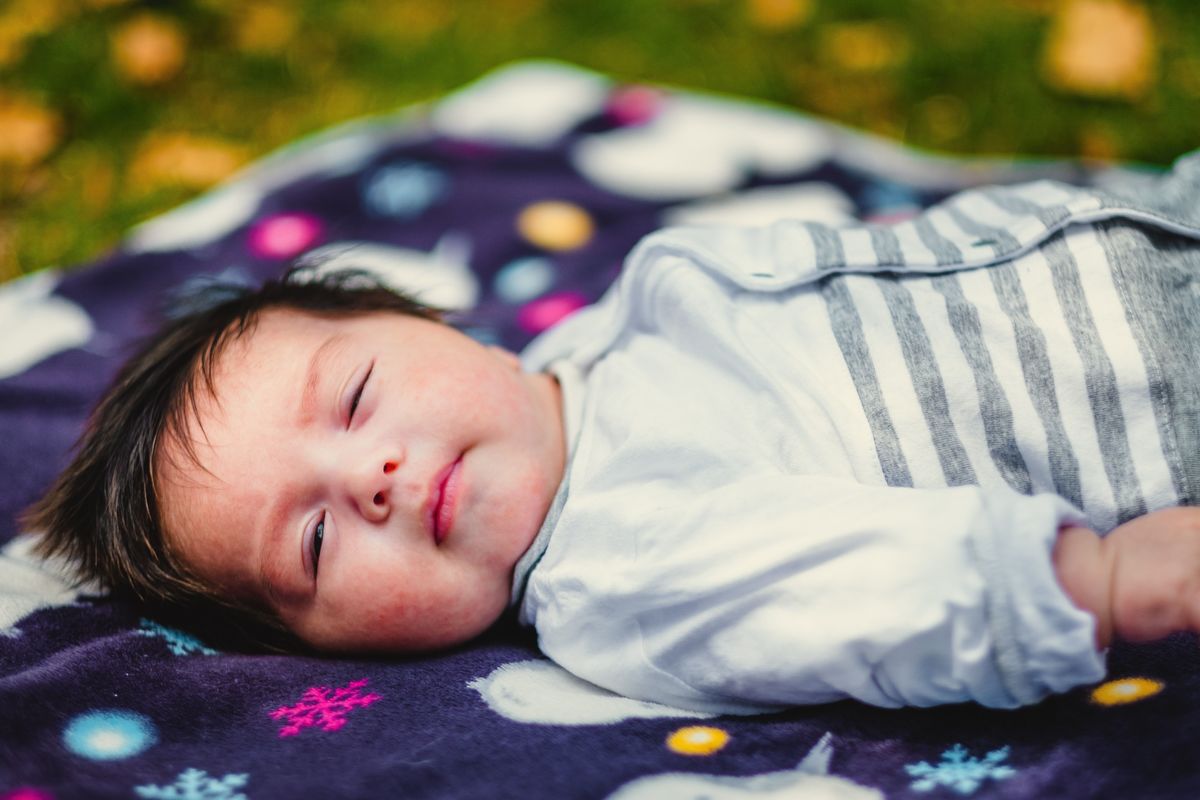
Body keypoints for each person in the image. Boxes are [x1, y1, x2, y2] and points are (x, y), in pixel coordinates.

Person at [24, 151, 1200, 714]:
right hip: (1153, 393)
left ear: (428, 321)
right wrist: (1092, 579)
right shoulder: (620, 563)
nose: (370, 475)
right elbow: (847, 590)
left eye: (356, 394)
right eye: (317, 544)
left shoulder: (590, 351)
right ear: (324, 652)